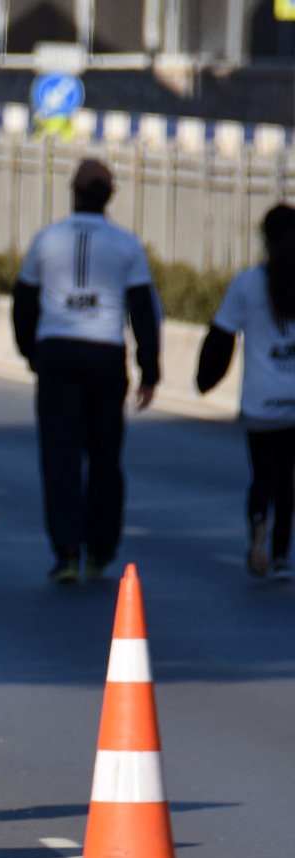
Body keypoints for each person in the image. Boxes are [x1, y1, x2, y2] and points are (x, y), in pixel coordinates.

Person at [13, 158, 160, 583]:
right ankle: (100, 548)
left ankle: (67, 550)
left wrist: (31, 353)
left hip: (57, 352)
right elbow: (142, 311)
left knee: (60, 456)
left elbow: (23, 300)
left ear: (73, 190)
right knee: (105, 456)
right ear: (110, 196)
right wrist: (150, 370)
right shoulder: (126, 243)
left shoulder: (47, 239)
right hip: (105, 356)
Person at [197, 203, 295, 580]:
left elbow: (221, 336)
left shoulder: (247, 284)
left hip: (261, 402)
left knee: (263, 476)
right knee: (288, 479)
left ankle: (257, 531)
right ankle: (283, 555)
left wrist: (205, 380)